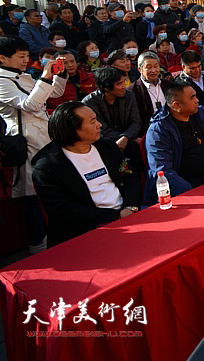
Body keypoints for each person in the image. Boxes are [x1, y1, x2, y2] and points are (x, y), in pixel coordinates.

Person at [31, 101, 141, 247]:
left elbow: (130, 176)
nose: (99, 125)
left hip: (129, 213)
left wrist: (130, 207)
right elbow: (63, 210)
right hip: (87, 230)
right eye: (93, 121)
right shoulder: (48, 167)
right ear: (73, 130)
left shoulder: (107, 148)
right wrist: (116, 216)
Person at [0, 36, 67, 253]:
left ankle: (58, 240)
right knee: (32, 195)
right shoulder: (2, 81)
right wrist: (46, 78)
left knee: (52, 189)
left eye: (27, 55)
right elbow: (31, 104)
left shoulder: (23, 75)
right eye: (21, 56)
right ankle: (38, 247)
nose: (25, 60)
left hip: (44, 136)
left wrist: (60, 74)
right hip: (25, 139)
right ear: (2, 58)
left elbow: (53, 93)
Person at [144, 79, 204, 203]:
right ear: (176, 105)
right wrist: (190, 192)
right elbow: (162, 170)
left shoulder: (200, 113)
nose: (197, 100)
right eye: (192, 98)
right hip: (188, 185)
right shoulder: (159, 131)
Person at [82, 66, 142, 165]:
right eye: (119, 84)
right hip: (103, 143)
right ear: (106, 87)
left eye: (124, 81)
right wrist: (125, 139)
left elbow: (136, 122)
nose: (124, 86)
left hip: (128, 139)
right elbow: (102, 130)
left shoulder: (129, 96)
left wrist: (125, 138)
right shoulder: (90, 103)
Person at [130, 51, 169, 136]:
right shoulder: (133, 91)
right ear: (140, 69)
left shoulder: (168, 85)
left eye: (156, 66)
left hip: (170, 127)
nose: (153, 70)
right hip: (149, 132)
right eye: (149, 67)